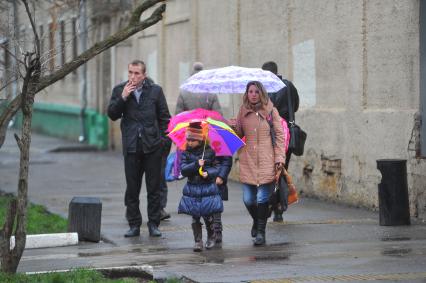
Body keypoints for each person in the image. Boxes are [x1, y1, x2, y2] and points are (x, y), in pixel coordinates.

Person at [107, 60, 171, 238]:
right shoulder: (120, 90)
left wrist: (164, 144)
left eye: (136, 73)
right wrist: (123, 97)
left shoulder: (155, 91)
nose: (132, 77)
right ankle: (134, 224)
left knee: (154, 189)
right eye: (130, 73)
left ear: (144, 75)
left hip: (152, 148)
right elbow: (112, 114)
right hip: (132, 147)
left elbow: (165, 119)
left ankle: (153, 224)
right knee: (132, 189)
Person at [229, 81, 285, 246]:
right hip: (248, 160)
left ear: (261, 93)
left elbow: (280, 136)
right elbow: (239, 133)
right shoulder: (242, 111)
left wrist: (279, 158)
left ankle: (261, 232)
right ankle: (257, 220)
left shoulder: (271, 111)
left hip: (267, 159)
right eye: (250, 91)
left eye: (256, 91)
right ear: (247, 94)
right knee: (248, 199)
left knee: (262, 197)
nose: (253, 94)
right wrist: (232, 127)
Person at [261, 61, 299, 222]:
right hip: (286, 135)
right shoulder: (288, 86)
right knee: (281, 170)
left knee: (268, 172)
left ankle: (270, 205)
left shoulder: (262, 90)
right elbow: (295, 106)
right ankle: (279, 209)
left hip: (268, 135)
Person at [178, 122, 223, 252]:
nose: (190, 142)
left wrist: (208, 173)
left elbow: (217, 168)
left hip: (207, 188)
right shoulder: (185, 153)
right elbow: (184, 170)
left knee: (207, 215)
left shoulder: (209, 152)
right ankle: (198, 241)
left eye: (192, 140)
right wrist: (196, 165)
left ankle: (211, 236)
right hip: (193, 189)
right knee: (195, 216)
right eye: (188, 139)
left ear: (200, 139)